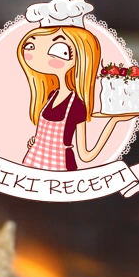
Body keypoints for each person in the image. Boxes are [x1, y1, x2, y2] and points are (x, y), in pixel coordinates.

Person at [16, 21, 128, 171]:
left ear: (80, 58)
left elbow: (85, 156)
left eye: (60, 50)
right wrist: (38, 142)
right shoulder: (51, 95)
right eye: (31, 46)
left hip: (61, 167)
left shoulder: (76, 105)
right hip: (34, 161)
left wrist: (114, 121)